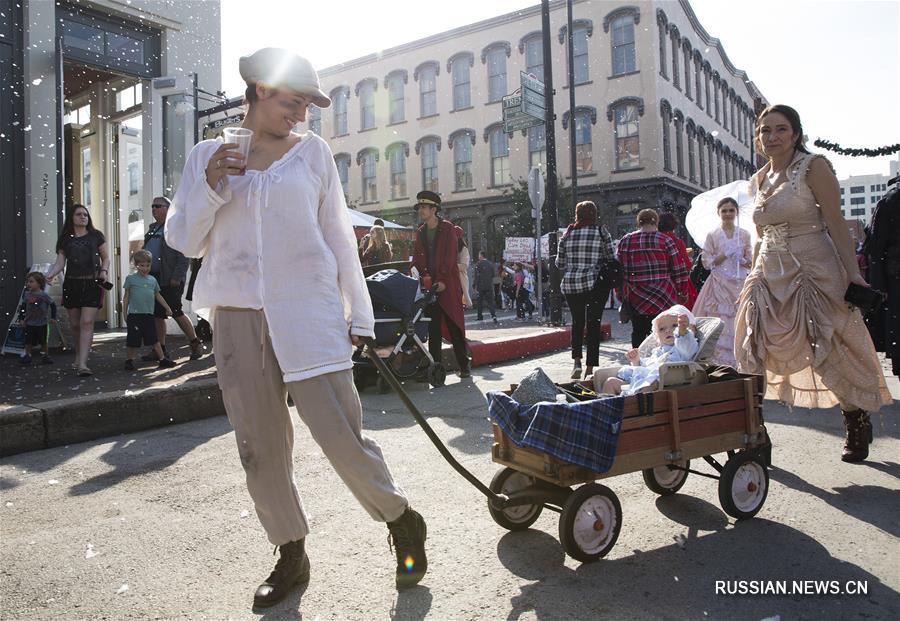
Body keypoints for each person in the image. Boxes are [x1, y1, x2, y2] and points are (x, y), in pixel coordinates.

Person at [164, 48, 427, 608]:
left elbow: (336, 234)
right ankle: (290, 551)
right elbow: (184, 241)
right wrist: (211, 184)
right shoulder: (208, 155)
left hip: (309, 310)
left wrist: (359, 311)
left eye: (308, 104)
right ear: (258, 90)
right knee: (258, 446)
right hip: (236, 316)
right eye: (293, 101)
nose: (302, 115)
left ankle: (400, 518)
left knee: (340, 435)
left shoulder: (313, 156)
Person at [734, 104, 891, 463]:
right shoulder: (757, 179)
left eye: (781, 130)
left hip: (813, 268)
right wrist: (752, 275)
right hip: (767, 270)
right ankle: (756, 433)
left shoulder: (813, 166)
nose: (772, 137)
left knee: (828, 349)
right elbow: (760, 233)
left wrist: (852, 274)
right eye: (765, 131)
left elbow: (835, 222)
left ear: (796, 133)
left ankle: (855, 417)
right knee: (751, 345)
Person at [45, 204, 110, 377]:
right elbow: (60, 263)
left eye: (86, 215)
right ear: (72, 218)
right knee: (75, 325)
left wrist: (104, 272)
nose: (83, 217)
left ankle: (82, 364)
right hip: (72, 284)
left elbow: (106, 258)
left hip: (92, 284)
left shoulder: (96, 236)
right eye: (79, 214)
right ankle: (79, 355)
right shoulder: (65, 239)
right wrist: (50, 274)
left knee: (86, 323)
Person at [411, 190, 470, 377]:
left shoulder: (448, 229)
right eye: (419, 207)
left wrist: (442, 280)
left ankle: (464, 366)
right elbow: (419, 258)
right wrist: (416, 271)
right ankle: (436, 369)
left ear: (434, 209)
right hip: (430, 287)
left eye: (423, 207)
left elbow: (450, 257)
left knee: (454, 326)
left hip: (448, 286)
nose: (420, 210)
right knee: (433, 329)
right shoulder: (421, 232)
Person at [556, 200, 614, 380]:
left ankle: (576, 362)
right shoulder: (600, 231)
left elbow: (560, 263)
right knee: (593, 323)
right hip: (594, 283)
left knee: (577, 322)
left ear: (577, 215)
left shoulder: (568, 234)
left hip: (572, 285)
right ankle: (590, 367)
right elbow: (611, 257)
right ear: (594, 214)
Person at [142, 196, 204, 361]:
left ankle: (195, 342)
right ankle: (160, 350)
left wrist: (177, 276)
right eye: (152, 206)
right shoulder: (153, 228)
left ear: (168, 208)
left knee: (176, 311)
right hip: (153, 279)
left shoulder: (175, 228)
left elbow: (184, 255)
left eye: (157, 206)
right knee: (157, 315)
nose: (153, 209)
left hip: (170, 278)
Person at [616, 208, 690, 348]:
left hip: (635, 296)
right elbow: (679, 269)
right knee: (663, 330)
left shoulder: (625, 241)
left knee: (638, 331)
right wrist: (682, 292)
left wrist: (620, 293)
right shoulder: (665, 240)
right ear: (656, 222)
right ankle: (660, 361)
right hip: (663, 295)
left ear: (639, 223)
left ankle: (638, 362)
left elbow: (619, 271)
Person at [691, 197, 752, 367]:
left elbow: (751, 261)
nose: (728, 214)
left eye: (731, 210)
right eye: (724, 210)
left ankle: (739, 356)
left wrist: (741, 258)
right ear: (718, 213)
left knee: (739, 317)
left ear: (736, 212)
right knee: (720, 317)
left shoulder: (744, 234)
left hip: (739, 283)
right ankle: (719, 360)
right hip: (719, 283)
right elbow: (706, 262)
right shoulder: (713, 235)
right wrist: (724, 254)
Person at [602, 306, 699, 395]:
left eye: (674, 325)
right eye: (662, 329)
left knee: (651, 383)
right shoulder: (658, 351)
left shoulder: (683, 349)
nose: (668, 330)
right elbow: (646, 367)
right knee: (610, 382)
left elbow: (686, 344)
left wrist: (682, 331)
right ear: (657, 337)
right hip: (639, 385)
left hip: (663, 386)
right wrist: (637, 361)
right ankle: (605, 409)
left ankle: (632, 407)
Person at [122, 250, 177, 371]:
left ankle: (162, 359)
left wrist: (167, 307)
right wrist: (124, 313)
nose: (145, 268)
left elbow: (158, 295)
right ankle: (129, 360)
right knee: (133, 340)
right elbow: (126, 298)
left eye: (148, 265)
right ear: (136, 265)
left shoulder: (152, 280)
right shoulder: (130, 279)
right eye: (142, 265)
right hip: (135, 315)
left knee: (154, 338)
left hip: (148, 315)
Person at [658, 213, 698, 310]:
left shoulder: (656, 240)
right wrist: (689, 259)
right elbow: (686, 266)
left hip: (660, 283)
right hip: (678, 283)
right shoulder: (677, 241)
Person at [17, 272, 55, 365]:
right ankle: (28, 356)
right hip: (29, 323)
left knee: (43, 342)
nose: (28, 284)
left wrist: (53, 317)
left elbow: (53, 305)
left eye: (31, 281)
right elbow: (23, 307)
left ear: (39, 283)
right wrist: (21, 318)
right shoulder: (26, 295)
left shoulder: (44, 295)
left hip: (41, 323)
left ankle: (45, 356)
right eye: (27, 282)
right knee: (28, 342)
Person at [473, 251, 498, 323]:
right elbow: (493, 275)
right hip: (489, 286)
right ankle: (494, 316)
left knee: (479, 302)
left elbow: (476, 276)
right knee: (490, 302)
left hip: (481, 286)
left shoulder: (478, 264)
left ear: (481, 256)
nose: (478, 256)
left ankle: (480, 316)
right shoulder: (490, 264)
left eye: (479, 255)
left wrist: (474, 285)